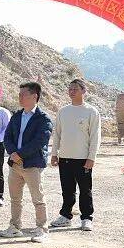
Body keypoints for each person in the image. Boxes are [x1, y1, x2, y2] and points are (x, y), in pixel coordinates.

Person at [0, 82, 53, 242]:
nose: (20, 97)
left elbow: (40, 141)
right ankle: (15, 226)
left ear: (34, 96)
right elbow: (7, 136)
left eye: (23, 94)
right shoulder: (16, 115)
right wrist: (12, 153)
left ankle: (42, 229)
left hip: (32, 164)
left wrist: (20, 154)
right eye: (19, 94)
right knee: (15, 199)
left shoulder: (43, 118)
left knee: (38, 198)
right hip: (15, 165)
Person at [49, 79, 100, 232]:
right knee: (67, 189)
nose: (72, 91)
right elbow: (57, 134)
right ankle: (65, 215)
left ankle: (86, 218)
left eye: (75, 89)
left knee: (85, 190)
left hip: (83, 159)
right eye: (70, 89)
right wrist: (54, 154)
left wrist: (92, 157)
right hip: (65, 157)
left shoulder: (91, 111)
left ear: (84, 91)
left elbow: (95, 136)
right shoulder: (63, 111)